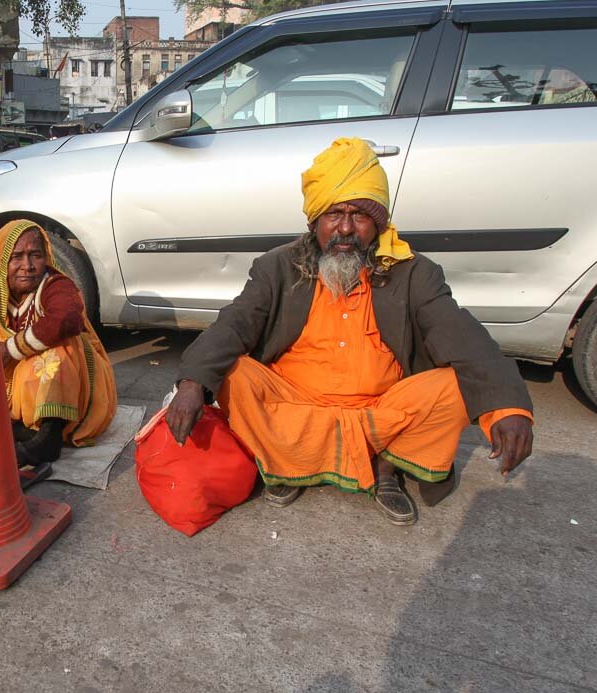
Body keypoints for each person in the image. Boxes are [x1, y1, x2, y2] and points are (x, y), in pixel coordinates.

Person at [164, 137, 534, 526]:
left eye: (359, 215)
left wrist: (508, 408)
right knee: (234, 375)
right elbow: (235, 323)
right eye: (334, 214)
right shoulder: (277, 267)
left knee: (455, 385)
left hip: (381, 412)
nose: (344, 229)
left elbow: (463, 336)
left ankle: (385, 468)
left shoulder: (412, 272)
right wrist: (192, 383)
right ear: (314, 221)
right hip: (296, 405)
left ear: (378, 222)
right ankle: (286, 464)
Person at [0, 220, 117, 465]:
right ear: (2, 260)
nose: (27, 266)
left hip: (73, 384)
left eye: (35, 255)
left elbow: (66, 318)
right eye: (17, 257)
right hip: (12, 385)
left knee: (58, 349)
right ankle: (19, 428)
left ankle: (48, 437)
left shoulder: (55, 284)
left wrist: (11, 348)